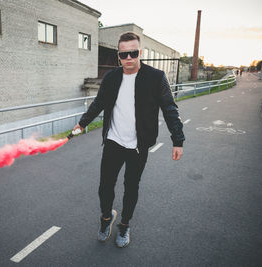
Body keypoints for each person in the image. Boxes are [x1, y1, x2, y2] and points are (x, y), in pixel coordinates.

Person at [72, 32, 185, 248]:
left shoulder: (156, 77)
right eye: (124, 54)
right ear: (119, 56)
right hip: (113, 142)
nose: (129, 58)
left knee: (131, 187)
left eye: (133, 53)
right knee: (105, 187)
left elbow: (170, 109)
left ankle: (124, 225)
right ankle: (106, 219)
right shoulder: (111, 78)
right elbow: (99, 103)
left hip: (138, 146)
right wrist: (82, 123)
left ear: (140, 53)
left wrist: (177, 140)